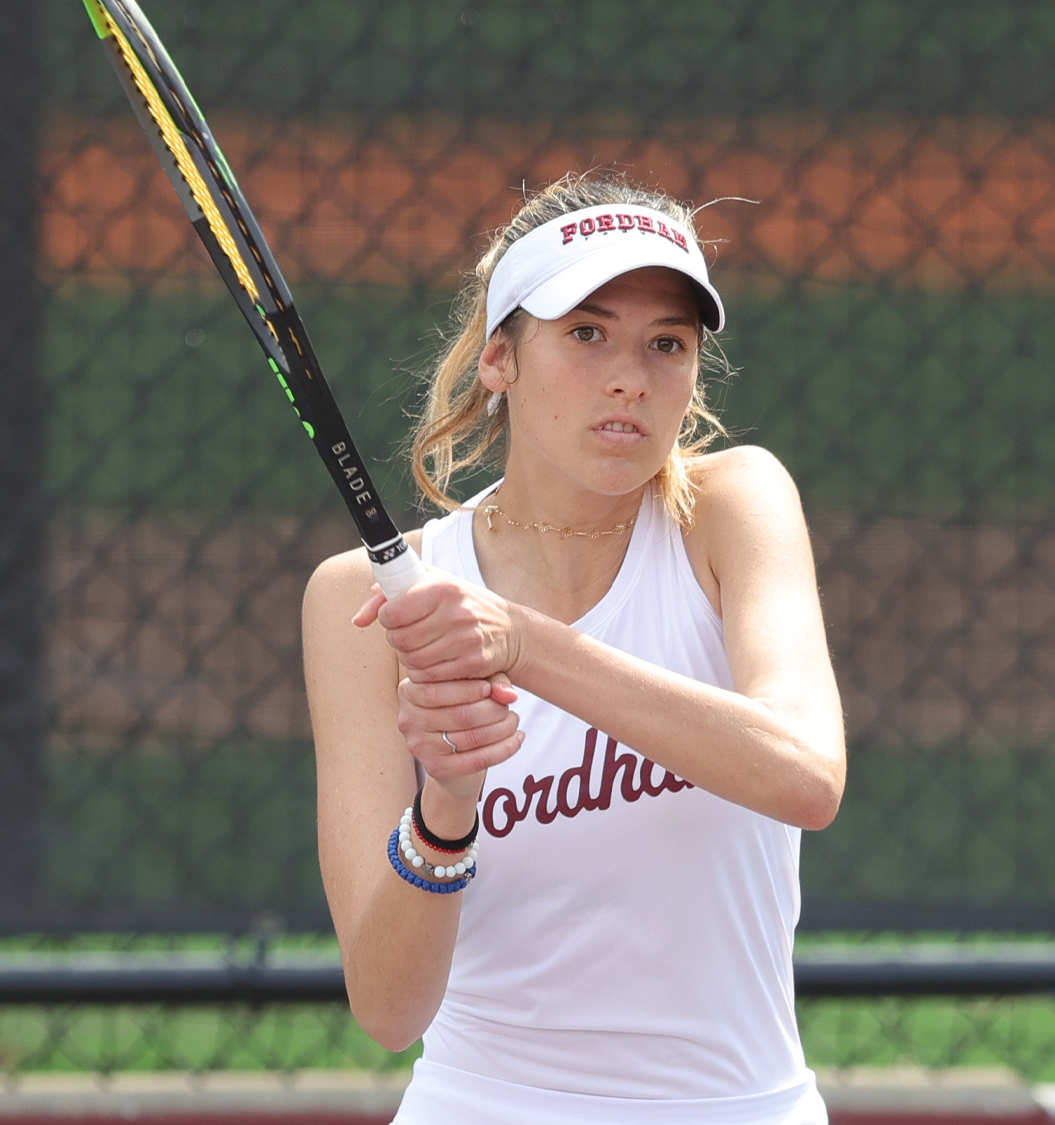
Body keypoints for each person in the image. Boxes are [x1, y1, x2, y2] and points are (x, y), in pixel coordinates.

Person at [302, 174, 846, 1125]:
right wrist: (446, 803)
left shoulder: (732, 507)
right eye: (587, 333)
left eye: (666, 344)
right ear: (499, 358)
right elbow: (388, 1010)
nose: (630, 377)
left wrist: (522, 643)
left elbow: (805, 776)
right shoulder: (359, 599)